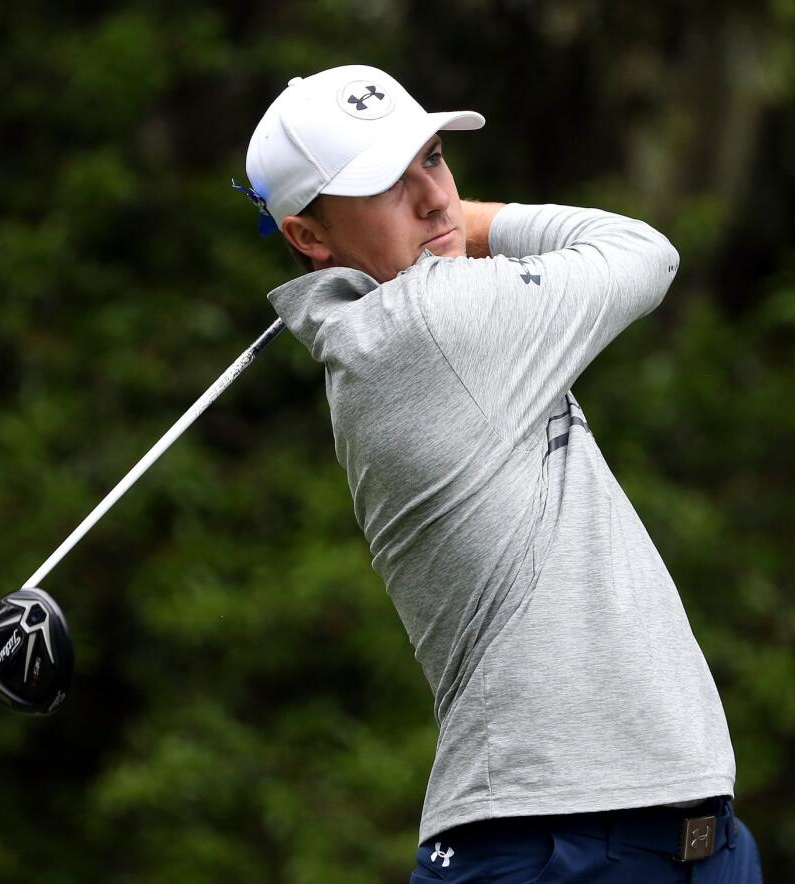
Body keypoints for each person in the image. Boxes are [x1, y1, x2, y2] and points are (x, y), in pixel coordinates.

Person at [236, 64, 764, 883]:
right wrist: (473, 226)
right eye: (388, 183)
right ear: (309, 236)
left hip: (678, 832)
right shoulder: (430, 323)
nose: (434, 196)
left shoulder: (398, 323)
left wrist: (430, 233)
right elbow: (645, 253)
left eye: (435, 159)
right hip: (554, 844)